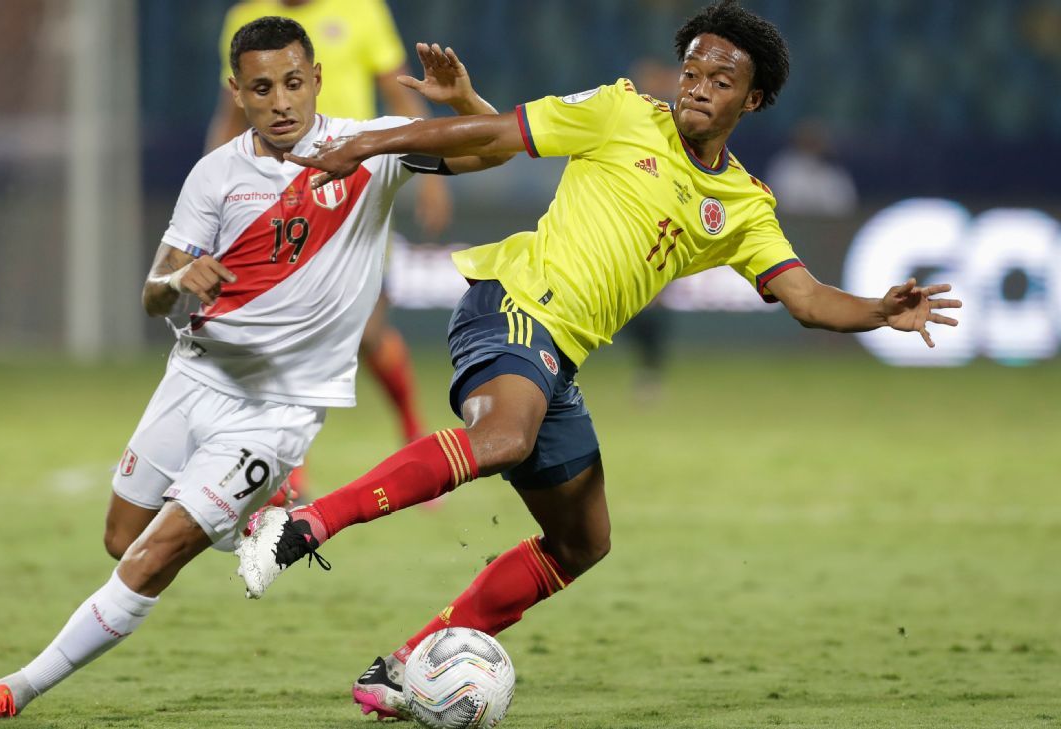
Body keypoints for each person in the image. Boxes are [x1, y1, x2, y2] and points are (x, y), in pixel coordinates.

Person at [235, 0, 962, 720]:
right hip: (511, 304)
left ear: (755, 98)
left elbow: (804, 297)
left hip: (561, 357)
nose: (698, 86)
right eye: (692, 70)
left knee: (583, 541)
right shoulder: (620, 112)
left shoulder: (741, 204)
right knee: (503, 438)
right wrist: (370, 144)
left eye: (720, 78)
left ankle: (406, 666)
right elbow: (498, 133)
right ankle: (302, 524)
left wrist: (876, 309)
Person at [0, 17, 508, 720]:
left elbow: (496, 147)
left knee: (150, 560)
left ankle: (17, 689)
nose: (281, 101)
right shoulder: (215, 174)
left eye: (294, 83)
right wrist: (180, 280)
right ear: (237, 92)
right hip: (193, 379)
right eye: (262, 88)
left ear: (316, 80)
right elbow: (152, 292)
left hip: (277, 413)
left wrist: (463, 102)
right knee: (122, 537)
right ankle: (258, 521)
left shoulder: (368, 149)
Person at [209, 0, 454, 464]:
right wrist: (212, 186)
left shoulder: (361, 11)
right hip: (276, 194)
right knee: (279, 331)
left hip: (355, 190)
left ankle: (412, 428)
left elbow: (399, 90)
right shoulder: (244, 18)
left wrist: (432, 172)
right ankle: (284, 474)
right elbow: (231, 112)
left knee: (367, 332)